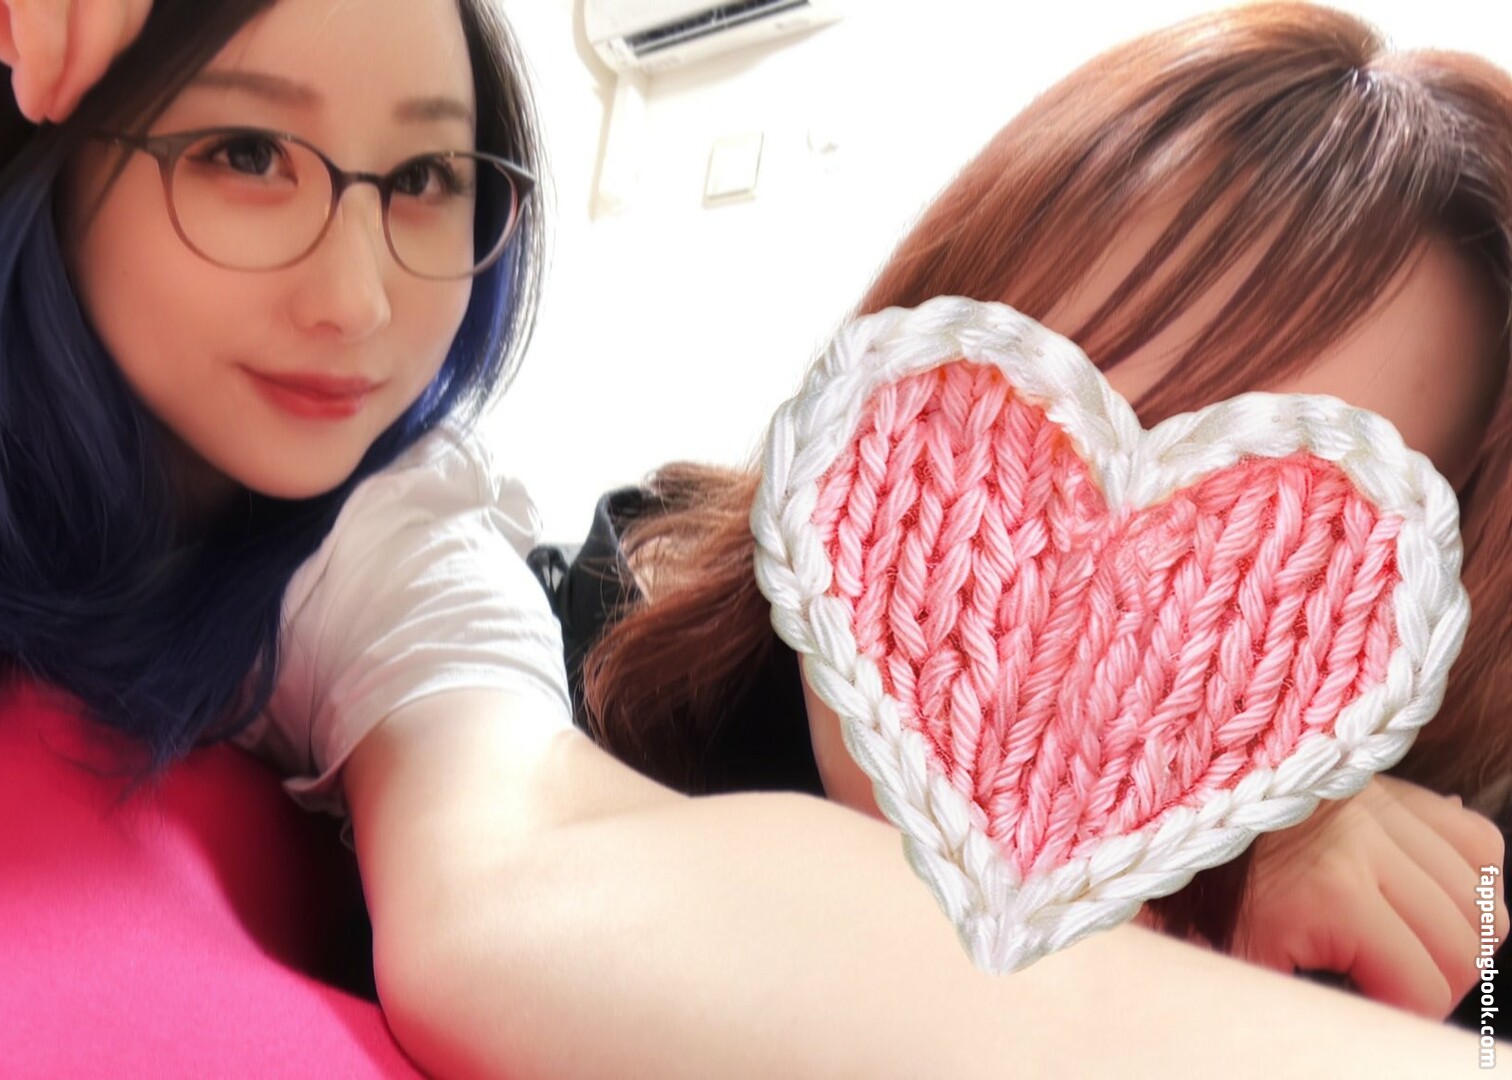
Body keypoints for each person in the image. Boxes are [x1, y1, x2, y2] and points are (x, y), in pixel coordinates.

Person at [0, 1, 1491, 1075]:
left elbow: (516, 880)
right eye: (244, 151)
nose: (360, 296)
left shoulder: (391, 531)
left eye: (429, 178)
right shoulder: (631, 607)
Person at [564, 0, 1512, 1031]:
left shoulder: (1446, 953)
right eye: (1011, 447)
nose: (1076, 634)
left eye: (1269, 565)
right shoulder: (556, 672)